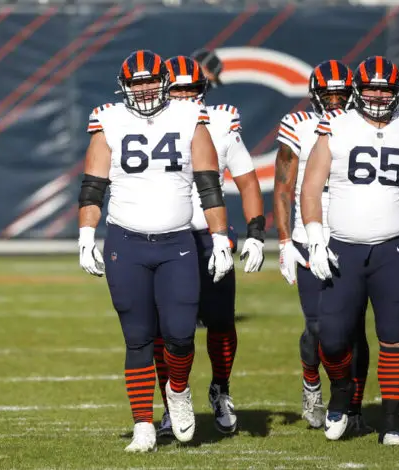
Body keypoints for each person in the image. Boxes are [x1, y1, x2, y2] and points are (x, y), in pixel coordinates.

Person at [77, 49, 234, 452]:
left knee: (181, 336)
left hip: (177, 242)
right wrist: (85, 234)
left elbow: (209, 185)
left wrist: (219, 238)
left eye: (149, 80)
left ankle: (178, 392)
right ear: (124, 86)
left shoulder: (188, 117)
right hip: (125, 242)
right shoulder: (108, 119)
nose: (144, 89)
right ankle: (143, 424)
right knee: (137, 339)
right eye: (136, 82)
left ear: (164, 82)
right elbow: (93, 187)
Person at [300, 56, 399, 445]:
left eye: (385, 88)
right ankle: (342, 390)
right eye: (371, 88)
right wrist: (315, 239)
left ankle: (393, 421)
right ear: (358, 91)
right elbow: (311, 187)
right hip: (343, 249)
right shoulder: (337, 126)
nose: (378, 95)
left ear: (396, 91)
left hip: (394, 251)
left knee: (393, 337)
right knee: (331, 337)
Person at [152, 55, 265, 438]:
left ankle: (221, 389)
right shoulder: (143, 123)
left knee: (219, 321)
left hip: (208, 235)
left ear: (203, 90)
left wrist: (255, 232)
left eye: (191, 89)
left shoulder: (219, 123)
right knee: (164, 330)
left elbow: (248, 180)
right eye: (178, 89)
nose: (185, 96)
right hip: (165, 236)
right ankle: (172, 403)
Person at [274, 59, 372, 434]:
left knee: (355, 328)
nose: (335, 100)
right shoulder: (299, 124)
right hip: (307, 236)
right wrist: (285, 241)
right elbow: (284, 186)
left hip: (353, 236)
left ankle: (354, 406)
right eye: (328, 94)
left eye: (341, 94)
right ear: (315, 94)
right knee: (316, 327)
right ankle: (312, 384)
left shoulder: (368, 124)